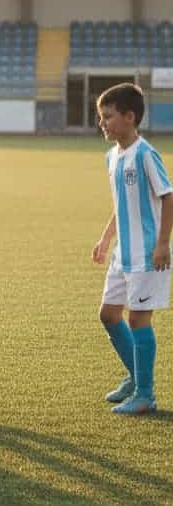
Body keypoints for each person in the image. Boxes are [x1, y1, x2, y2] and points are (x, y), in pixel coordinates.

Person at [93, 83, 172, 414]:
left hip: (146, 255)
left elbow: (168, 196)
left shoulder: (145, 154)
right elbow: (121, 203)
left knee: (139, 319)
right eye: (101, 117)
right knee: (109, 314)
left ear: (129, 117)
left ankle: (145, 394)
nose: (103, 124)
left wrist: (163, 244)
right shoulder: (113, 156)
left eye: (108, 117)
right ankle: (134, 376)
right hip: (122, 254)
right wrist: (106, 237)